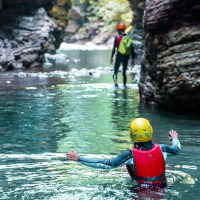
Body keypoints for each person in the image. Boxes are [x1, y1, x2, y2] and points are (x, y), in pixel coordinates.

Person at [66, 118, 181, 184]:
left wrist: (79, 158)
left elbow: (105, 164)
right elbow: (177, 149)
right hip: (162, 191)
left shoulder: (130, 155)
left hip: (139, 193)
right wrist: (174, 137)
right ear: (150, 131)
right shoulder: (162, 149)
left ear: (131, 134)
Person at [110, 23, 135, 87]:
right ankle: (124, 85)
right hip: (126, 56)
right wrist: (132, 59)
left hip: (119, 55)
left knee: (115, 70)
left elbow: (114, 48)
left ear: (118, 30)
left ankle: (115, 82)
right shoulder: (128, 38)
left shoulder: (117, 37)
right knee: (124, 72)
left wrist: (112, 57)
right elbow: (132, 49)